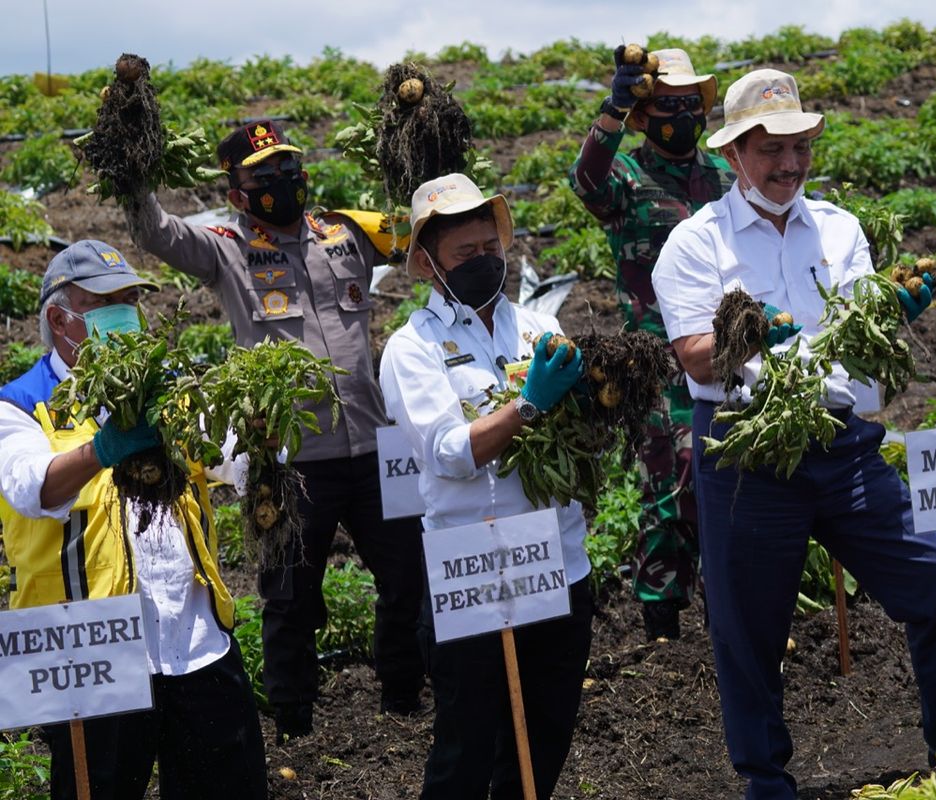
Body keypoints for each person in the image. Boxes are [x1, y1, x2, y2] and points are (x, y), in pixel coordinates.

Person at [651, 69, 936, 798]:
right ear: (733, 155)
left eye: (800, 146)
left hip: (841, 442)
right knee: (749, 627)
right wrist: (742, 334)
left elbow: (853, 342)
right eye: (771, 149)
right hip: (745, 447)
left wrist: (890, 310)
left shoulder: (838, 228)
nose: (790, 164)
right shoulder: (693, 243)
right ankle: (766, 778)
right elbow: (692, 357)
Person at [125, 119, 426, 741]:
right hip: (287, 460)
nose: (282, 181)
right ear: (236, 191)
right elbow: (155, 232)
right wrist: (133, 161)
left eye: (287, 166)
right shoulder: (225, 247)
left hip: (373, 446)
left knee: (407, 577)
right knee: (289, 597)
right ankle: (295, 722)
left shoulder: (345, 232)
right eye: (263, 175)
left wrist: (416, 141)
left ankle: (403, 698)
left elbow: (423, 227)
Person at [0, 241, 268, 800]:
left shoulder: (168, 388)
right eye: (106, 302)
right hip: (94, 653)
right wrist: (102, 450)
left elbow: (231, 460)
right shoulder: (22, 405)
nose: (125, 314)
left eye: (131, 300)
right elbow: (31, 487)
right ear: (59, 317)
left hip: (196, 641)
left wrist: (260, 434)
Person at [378, 174, 593, 799]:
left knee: (546, 734)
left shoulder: (535, 327)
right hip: (472, 563)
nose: (483, 262)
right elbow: (448, 453)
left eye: (489, 249)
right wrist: (527, 406)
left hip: (556, 557)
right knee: (466, 744)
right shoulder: (411, 348)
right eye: (464, 254)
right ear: (426, 263)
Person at [569, 47, 735, 639]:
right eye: (668, 105)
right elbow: (584, 180)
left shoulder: (723, 178)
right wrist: (613, 107)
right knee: (671, 482)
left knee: (731, 478)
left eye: (691, 104)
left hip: (729, 354)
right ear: (646, 113)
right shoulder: (628, 180)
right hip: (656, 361)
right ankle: (662, 619)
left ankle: (731, 611)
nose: (682, 115)